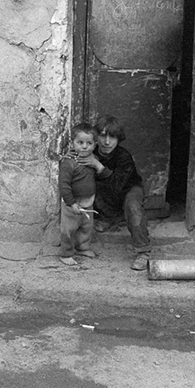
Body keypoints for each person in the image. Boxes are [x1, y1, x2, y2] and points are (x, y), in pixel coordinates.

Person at [74, 115, 151, 271]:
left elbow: (116, 186)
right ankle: (111, 218)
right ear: (96, 137)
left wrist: (98, 166)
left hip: (128, 190)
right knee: (85, 188)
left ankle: (143, 251)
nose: (107, 142)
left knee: (133, 208)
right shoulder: (89, 149)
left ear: (119, 139)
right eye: (103, 135)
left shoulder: (124, 157)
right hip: (106, 196)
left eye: (113, 137)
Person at [57, 122, 99, 266]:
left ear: (95, 144)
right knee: (68, 229)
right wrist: (71, 203)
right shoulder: (69, 163)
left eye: (89, 143)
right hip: (72, 202)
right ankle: (66, 253)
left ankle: (83, 247)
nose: (85, 146)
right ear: (73, 143)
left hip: (88, 201)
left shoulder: (93, 160)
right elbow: (64, 185)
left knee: (86, 226)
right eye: (80, 142)